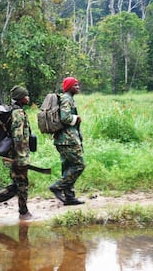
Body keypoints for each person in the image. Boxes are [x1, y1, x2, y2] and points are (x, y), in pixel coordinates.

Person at [0, 85, 33, 220]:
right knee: (22, 184)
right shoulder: (18, 113)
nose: (28, 97)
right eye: (26, 95)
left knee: (18, 183)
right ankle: (23, 213)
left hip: (13, 154)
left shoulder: (14, 111)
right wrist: (21, 157)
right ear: (21, 98)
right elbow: (18, 136)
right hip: (17, 155)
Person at [49, 76, 85, 206]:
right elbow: (65, 118)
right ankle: (57, 186)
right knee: (79, 165)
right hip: (68, 140)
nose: (78, 87)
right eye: (75, 85)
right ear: (69, 87)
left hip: (63, 139)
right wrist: (76, 118)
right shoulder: (66, 99)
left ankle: (69, 197)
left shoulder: (67, 99)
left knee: (68, 167)